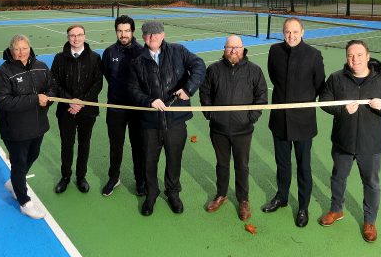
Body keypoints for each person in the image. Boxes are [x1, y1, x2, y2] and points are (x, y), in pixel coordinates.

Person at [318, 39, 381, 243]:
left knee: (371, 183)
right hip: (343, 142)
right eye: (350, 55)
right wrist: (341, 109)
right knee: (338, 178)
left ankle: (370, 221)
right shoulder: (337, 79)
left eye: (358, 55)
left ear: (367, 56)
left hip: (371, 146)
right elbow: (324, 101)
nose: (354, 59)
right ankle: (336, 210)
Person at [128, 20, 206, 216]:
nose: (151, 37)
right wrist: (148, 101)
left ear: (163, 35)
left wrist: (189, 89)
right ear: (143, 37)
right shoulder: (137, 61)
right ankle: (151, 194)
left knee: (174, 159)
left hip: (176, 121)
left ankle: (173, 193)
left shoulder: (178, 51)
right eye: (147, 34)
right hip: (149, 123)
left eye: (155, 34)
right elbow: (132, 89)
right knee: (149, 161)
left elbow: (199, 65)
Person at [263, 16, 325, 228]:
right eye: (288, 32)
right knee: (282, 163)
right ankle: (281, 197)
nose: (291, 36)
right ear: (283, 33)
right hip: (280, 120)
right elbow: (274, 77)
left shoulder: (314, 55)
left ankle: (304, 206)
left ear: (302, 32)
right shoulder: (274, 51)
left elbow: (318, 85)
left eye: (295, 32)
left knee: (303, 166)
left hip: (303, 122)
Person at [200, 35, 267, 221]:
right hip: (218, 129)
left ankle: (243, 200)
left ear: (243, 48)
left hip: (243, 130)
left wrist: (250, 118)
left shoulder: (254, 71)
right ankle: (221, 195)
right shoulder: (213, 69)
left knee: (242, 166)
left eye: (237, 47)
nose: (233, 51)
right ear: (224, 49)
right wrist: (211, 114)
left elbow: (261, 96)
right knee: (222, 164)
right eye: (230, 48)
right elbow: (205, 93)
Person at [0, 34, 56, 219]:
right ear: (11, 50)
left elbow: (52, 87)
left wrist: (48, 98)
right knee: (19, 165)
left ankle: (14, 183)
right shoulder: (3, 73)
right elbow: (5, 102)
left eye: (25, 48)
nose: (21, 52)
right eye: (17, 49)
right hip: (15, 130)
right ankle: (24, 202)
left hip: (38, 125)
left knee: (33, 155)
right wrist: (35, 99)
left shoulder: (41, 66)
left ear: (30, 48)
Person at [50, 24, 103, 194]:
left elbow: (98, 83)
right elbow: (54, 83)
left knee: (84, 144)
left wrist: (81, 102)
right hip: (66, 110)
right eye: (72, 35)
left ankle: (81, 177)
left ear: (85, 37)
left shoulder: (95, 58)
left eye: (79, 35)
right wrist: (69, 101)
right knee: (67, 144)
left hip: (87, 111)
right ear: (67, 37)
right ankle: (65, 177)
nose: (76, 38)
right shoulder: (59, 58)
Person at [100, 14, 147, 197]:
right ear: (116, 32)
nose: (123, 34)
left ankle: (140, 180)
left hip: (137, 109)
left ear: (133, 31)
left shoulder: (142, 52)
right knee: (115, 145)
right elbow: (107, 75)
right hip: (115, 108)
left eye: (127, 30)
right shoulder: (109, 52)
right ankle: (114, 178)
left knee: (138, 146)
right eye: (120, 31)